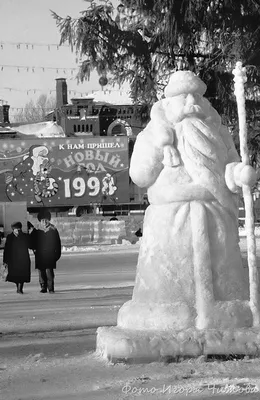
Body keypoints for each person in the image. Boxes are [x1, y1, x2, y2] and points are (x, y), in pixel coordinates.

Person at [117, 70, 257, 332]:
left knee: (223, 284)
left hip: (214, 215)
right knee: (168, 287)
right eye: (184, 95)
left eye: (196, 95)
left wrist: (239, 174)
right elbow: (140, 174)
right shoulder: (154, 133)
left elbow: (228, 167)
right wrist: (159, 145)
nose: (191, 101)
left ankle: (228, 313)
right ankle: (166, 315)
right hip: (170, 221)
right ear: (170, 101)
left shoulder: (218, 132)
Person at [30, 209, 61, 293]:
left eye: (46, 220)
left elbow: (58, 244)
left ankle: (51, 288)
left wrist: (56, 255)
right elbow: (32, 242)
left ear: (49, 220)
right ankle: (43, 287)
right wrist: (34, 250)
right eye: (43, 220)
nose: (44, 222)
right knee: (41, 272)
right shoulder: (36, 231)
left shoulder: (53, 230)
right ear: (40, 221)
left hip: (50, 255)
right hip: (40, 255)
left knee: (49, 272)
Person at [3, 221, 31, 294]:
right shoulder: (10, 237)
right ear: (13, 230)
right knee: (15, 275)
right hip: (13, 259)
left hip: (23, 259)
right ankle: (18, 286)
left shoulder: (25, 236)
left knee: (22, 275)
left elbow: (30, 245)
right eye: (16, 230)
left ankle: (20, 288)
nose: (18, 231)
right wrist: (5, 260)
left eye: (19, 229)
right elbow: (6, 249)